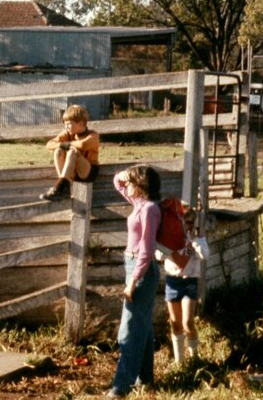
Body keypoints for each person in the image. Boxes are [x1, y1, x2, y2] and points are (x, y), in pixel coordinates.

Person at [109, 164, 162, 398]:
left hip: (141, 270)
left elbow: (147, 250)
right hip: (133, 265)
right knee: (143, 326)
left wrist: (132, 281)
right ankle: (146, 380)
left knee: (129, 329)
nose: (127, 186)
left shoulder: (149, 209)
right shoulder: (139, 204)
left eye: (132, 182)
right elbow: (117, 181)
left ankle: (121, 387)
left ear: (141, 186)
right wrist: (130, 172)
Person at [159, 205, 210, 364]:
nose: (186, 226)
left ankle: (195, 359)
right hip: (173, 281)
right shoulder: (170, 238)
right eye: (182, 222)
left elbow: (204, 255)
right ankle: (179, 362)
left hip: (189, 281)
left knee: (187, 321)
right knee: (175, 322)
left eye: (189, 222)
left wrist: (194, 242)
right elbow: (159, 255)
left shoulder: (196, 239)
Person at [41, 104, 100, 201]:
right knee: (58, 151)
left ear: (81, 123)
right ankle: (64, 187)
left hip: (87, 171)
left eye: (69, 124)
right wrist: (64, 145)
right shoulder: (68, 133)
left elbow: (82, 145)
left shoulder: (93, 135)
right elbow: (49, 144)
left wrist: (68, 145)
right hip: (72, 172)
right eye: (65, 124)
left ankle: (59, 187)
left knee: (72, 152)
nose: (66, 126)